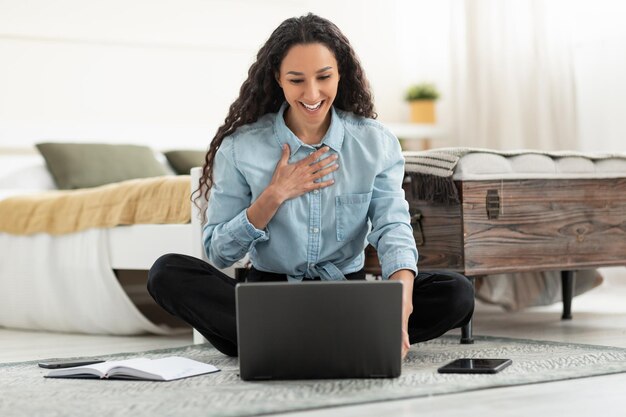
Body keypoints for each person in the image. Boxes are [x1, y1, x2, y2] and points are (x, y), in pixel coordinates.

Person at [147, 13, 474, 359]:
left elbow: (392, 226)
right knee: (166, 272)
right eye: (297, 80)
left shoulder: (374, 143)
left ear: (340, 73)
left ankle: (277, 342)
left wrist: (402, 303)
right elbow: (218, 251)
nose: (312, 93)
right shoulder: (241, 148)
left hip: (346, 297)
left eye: (324, 77)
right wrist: (273, 196)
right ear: (278, 79)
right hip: (266, 299)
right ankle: (330, 339)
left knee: (457, 293)